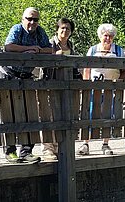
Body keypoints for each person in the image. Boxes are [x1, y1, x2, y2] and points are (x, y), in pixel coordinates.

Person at [1, 7, 52, 164]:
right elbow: (8, 46)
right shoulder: (17, 29)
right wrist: (29, 49)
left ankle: (26, 151)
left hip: (27, 76)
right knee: (9, 115)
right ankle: (10, 152)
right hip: (9, 74)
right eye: (29, 19)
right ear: (23, 19)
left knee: (30, 114)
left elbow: (50, 50)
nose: (32, 22)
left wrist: (37, 50)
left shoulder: (40, 32)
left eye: (35, 19)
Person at [77, 23, 124, 156]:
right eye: (105, 36)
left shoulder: (118, 50)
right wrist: (87, 86)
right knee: (90, 114)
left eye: (110, 36)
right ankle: (85, 143)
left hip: (111, 89)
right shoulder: (93, 50)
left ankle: (105, 144)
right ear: (100, 36)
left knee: (108, 116)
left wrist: (119, 82)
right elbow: (86, 69)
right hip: (94, 88)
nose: (108, 38)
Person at [42, 18, 78, 160]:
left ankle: (60, 148)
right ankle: (47, 149)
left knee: (63, 118)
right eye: (62, 28)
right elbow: (42, 63)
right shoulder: (49, 44)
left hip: (66, 87)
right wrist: (53, 57)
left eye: (68, 29)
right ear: (57, 29)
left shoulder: (71, 47)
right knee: (49, 117)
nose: (65, 31)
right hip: (50, 84)